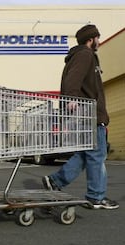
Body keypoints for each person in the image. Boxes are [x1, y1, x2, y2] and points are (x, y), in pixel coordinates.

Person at [42, 24, 119, 210]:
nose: (99, 42)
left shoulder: (83, 56)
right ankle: (96, 196)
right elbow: (73, 79)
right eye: (97, 38)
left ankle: (56, 181)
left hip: (87, 113)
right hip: (89, 114)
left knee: (87, 153)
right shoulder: (85, 55)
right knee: (97, 155)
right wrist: (72, 98)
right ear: (91, 39)